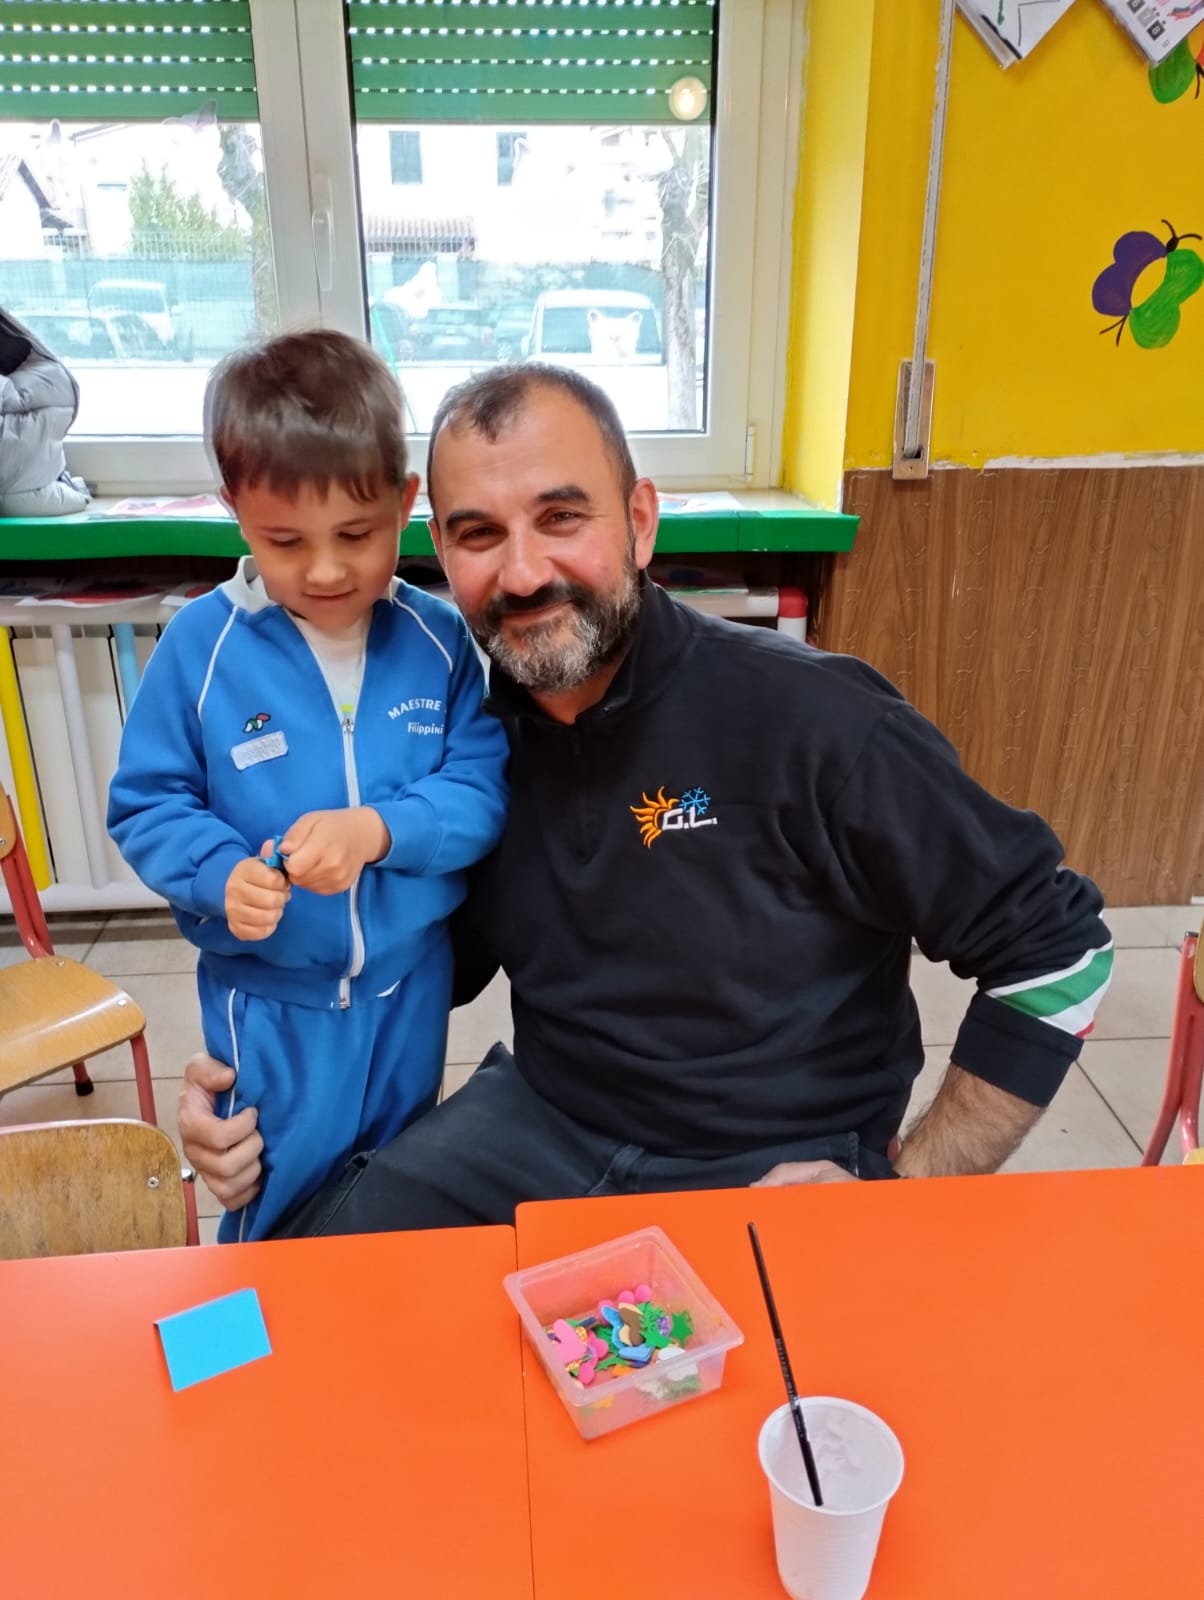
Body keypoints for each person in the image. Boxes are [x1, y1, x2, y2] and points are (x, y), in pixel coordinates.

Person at [177, 363, 1113, 1232]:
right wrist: (242, 1084)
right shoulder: (468, 738)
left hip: (772, 1160)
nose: (523, 573)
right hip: (537, 1121)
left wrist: (899, 1197)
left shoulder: (816, 719)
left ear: (640, 520)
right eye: (479, 533)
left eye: (561, 517)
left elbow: (1059, 954)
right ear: (442, 554)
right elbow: (410, 962)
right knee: (306, 1271)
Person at [108, 331, 508, 1240]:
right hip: (272, 1002)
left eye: (358, 536)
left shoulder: (439, 639)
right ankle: (269, 1320)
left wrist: (378, 830)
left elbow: (480, 789)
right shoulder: (201, 648)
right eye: (285, 541)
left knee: (395, 1191)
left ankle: (378, 1315)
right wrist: (219, 873)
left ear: (405, 502)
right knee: (276, 1201)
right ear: (235, 511)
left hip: (411, 989)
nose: (325, 570)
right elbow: (147, 801)